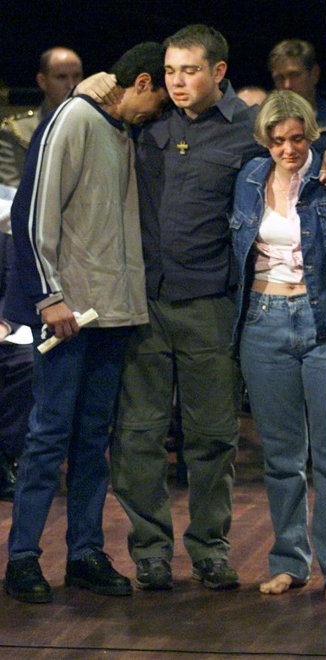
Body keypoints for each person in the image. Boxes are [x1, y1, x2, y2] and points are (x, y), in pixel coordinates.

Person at [106, 24, 326, 594]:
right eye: (170, 71)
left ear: (218, 72)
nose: (177, 81)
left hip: (213, 304)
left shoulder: (250, 129)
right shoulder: (144, 120)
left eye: (189, 70)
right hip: (144, 301)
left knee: (213, 435)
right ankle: (149, 552)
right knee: (139, 434)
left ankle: (212, 551)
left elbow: (300, 157)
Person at [3, 41, 168, 604]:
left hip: (113, 314)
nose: (160, 112)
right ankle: (23, 557)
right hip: (70, 314)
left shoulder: (121, 129)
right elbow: (32, 213)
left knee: (93, 440)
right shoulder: (73, 118)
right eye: (159, 96)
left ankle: (84, 553)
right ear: (141, 82)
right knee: (47, 438)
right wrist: (48, 298)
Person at [231, 90, 326, 600]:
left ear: (312, 134)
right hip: (263, 319)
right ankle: (289, 560)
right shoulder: (248, 179)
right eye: (276, 141)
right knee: (282, 457)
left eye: (297, 139)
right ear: (263, 140)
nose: (288, 149)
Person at [0, 47, 84, 187]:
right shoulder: (17, 131)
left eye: (77, 76)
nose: (71, 85)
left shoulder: (93, 126)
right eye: (61, 77)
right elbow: (12, 193)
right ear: (42, 81)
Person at [0, 228, 32, 501]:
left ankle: (10, 456)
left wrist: (3, 323)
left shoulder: (5, 236)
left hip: (4, 330)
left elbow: (13, 287)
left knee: (27, 364)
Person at [268, 39, 326, 136]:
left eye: (294, 75)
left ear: (315, 74)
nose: (287, 85)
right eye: (280, 78)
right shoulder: (266, 122)